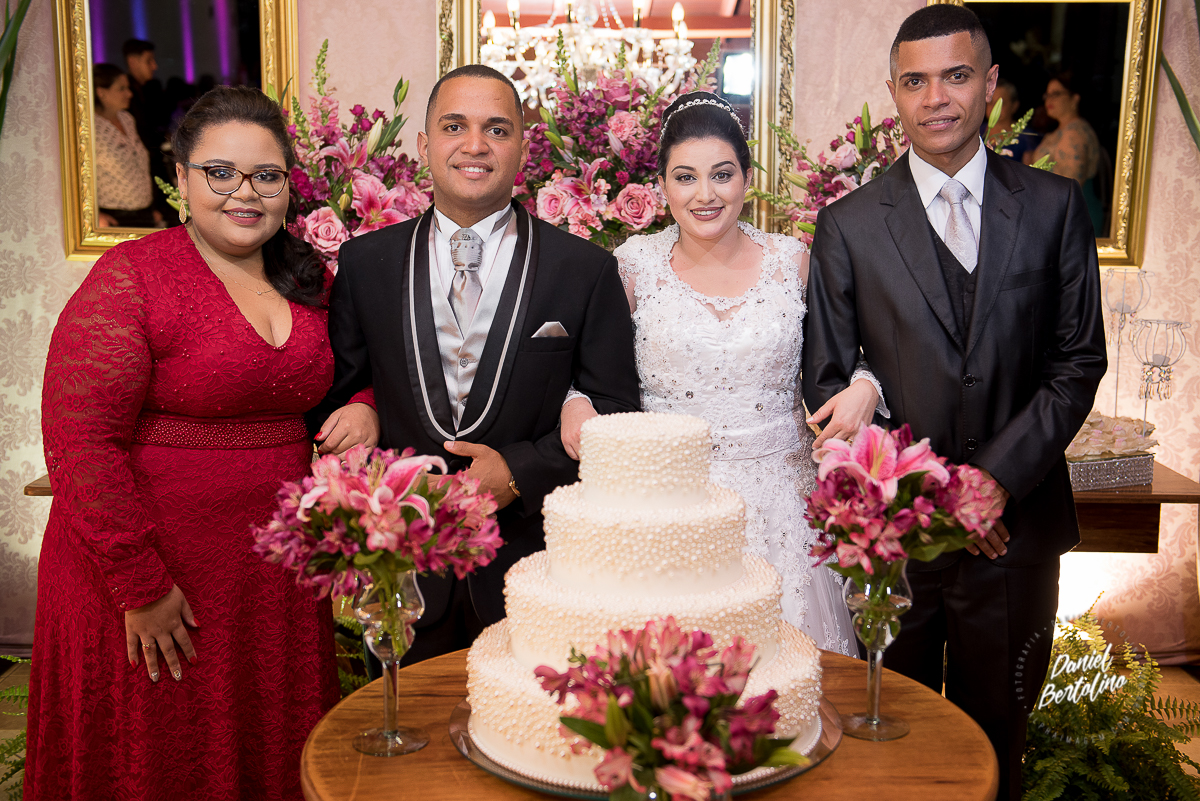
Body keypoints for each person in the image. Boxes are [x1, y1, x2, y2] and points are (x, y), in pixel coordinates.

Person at [27, 85, 376, 800]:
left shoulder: (310, 277)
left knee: (264, 742)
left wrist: (364, 408)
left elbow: (347, 377)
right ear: (182, 179)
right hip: (153, 575)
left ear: (288, 186)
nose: (244, 193)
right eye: (220, 173)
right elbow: (80, 441)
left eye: (266, 176)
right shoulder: (131, 277)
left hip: (270, 577)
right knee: (159, 754)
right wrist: (140, 585)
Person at [802, 7, 1106, 799]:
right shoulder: (847, 226)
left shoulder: (1053, 207)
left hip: (1016, 537)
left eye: (956, 75)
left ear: (991, 84)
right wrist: (936, 495)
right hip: (894, 545)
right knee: (886, 753)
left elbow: (1078, 361)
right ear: (894, 94)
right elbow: (827, 385)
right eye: (916, 81)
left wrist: (993, 481)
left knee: (998, 750)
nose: (936, 97)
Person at [307, 65, 641, 665]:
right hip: (404, 568)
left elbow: (615, 409)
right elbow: (343, 386)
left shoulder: (583, 269)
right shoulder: (365, 263)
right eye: (454, 126)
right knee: (409, 721)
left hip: (535, 568)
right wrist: (360, 411)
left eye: (497, 129)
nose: (475, 145)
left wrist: (516, 473)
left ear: (523, 149)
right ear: (424, 145)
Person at [559, 91, 886, 656]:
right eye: (685, 177)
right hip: (668, 500)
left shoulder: (792, 260)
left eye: (722, 174)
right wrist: (574, 401)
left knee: (789, 672)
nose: (705, 195)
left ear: (747, 178)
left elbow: (851, 354)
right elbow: (586, 371)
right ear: (662, 185)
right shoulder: (633, 266)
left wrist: (866, 386)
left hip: (784, 503)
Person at [1028, 72, 1106, 233]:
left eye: (1056, 94)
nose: (1049, 100)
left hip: (1071, 219)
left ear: (1075, 98)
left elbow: (1072, 185)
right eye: (1047, 95)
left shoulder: (1075, 133)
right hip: (1058, 215)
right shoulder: (1062, 130)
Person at [92, 64, 159, 228]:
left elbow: (138, 168)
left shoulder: (127, 119)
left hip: (144, 212)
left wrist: (152, 208)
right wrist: (94, 213)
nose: (129, 94)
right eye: (121, 89)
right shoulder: (90, 127)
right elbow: (76, 175)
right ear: (101, 93)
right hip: (114, 216)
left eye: (128, 88)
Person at [983, 79, 1039, 163]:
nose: (994, 107)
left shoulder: (1025, 137)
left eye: (1000, 103)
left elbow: (1028, 168)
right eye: (990, 102)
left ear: (1014, 106)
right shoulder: (976, 131)